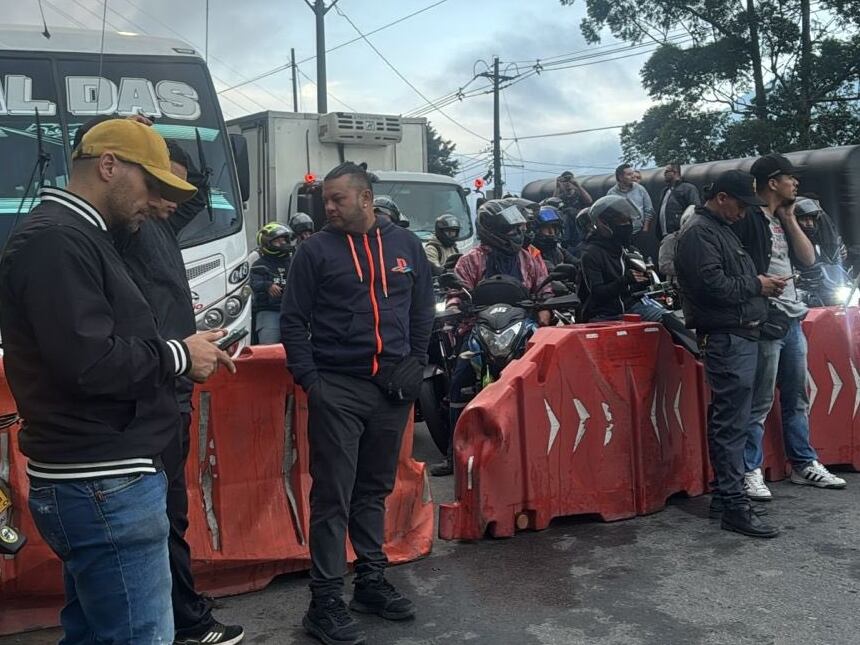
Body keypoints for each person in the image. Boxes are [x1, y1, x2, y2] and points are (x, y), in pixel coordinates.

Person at [0, 118, 235, 642]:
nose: (156, 202)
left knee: (96, 631)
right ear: (108, 165)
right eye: (150, 184)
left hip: (103, 474)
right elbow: (88, 363)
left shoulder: (83, 235)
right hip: (103, 479)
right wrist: (179, 354)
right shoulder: (58, 240)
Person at [281, 162, 434, 645]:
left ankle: (370, 581)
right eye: (324, 200)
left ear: (366, 199)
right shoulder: (313, 251)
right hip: (337, 389)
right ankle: (324, 602)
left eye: (337, 199)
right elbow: (292, 321)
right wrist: (313, 382)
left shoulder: (406, 245)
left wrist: (416, 362)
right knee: (333, 495)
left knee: (373, 490)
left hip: (392, 390)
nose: (327, 208)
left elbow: (421, 309)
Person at [104, 128, 246, 644]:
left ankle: (179, 609)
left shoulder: (162, 219)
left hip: (173, 389)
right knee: (162, 515)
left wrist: (162, 147)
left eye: (176, 188)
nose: (170, 200)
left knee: (171, 511)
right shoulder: (128, 228)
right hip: (154, 387)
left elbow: (197, 194)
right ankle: (185, 620)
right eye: (159, 186)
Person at [675, 170, 784, 538]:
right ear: (721, 197)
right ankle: (734, 505)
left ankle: (727, 498)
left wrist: (758, 286)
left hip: (735, 334)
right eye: (740, 204)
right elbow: (712, 286)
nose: (743, 212)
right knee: (732, 422)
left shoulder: (715, 229)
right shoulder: (701, 232)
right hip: (728, 337)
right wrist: (758, 285)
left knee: (730, 420)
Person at [734, 154, 847, 501]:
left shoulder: (782, 218)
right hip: (766, 320)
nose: (795, 183)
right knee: (760, 400)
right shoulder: (749, 218)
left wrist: (788, 217)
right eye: (789, 177)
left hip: (792, 318)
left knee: (797, 397)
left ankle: (803, 462)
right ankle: (749, 470)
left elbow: (809, 259)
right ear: (772, 182)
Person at [430, 199, 552, 477]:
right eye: (511, 230)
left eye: (519, 229)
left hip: (522, 328)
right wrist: (454, 308)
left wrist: (545, 312)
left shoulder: (529, 259)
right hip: (479, 329)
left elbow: (545, 292)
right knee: (459, 382)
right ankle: (453, 455)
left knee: (549, 377)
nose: (517, 235)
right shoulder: (471, 260)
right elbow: (456, 294)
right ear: (492, 230)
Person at [576, 195, 692, 347]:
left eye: (629, 221)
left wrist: (644, 279)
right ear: (603, 223)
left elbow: (636, 288)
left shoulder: (626, 249)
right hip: (604, 314)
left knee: (671, 321)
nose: (627, 225)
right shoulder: (591, 254)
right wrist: (625, 280)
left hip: (631, 307)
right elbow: (597, 293)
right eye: (622, 221)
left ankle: (698, 355)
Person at [251, 222, 295, 345]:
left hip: (292, 312)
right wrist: (267, 285)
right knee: (268, 348)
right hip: (269, 311)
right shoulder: (260, 264)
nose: (282, 243)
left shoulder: (294, 261)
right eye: (277, 241)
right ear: (267, 243)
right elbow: (253, 282)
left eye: (284, 240)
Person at [608, 163, 657, 260]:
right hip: (621, 234)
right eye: (629, 174)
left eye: (632, 173)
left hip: (639, 232)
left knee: (643, 258)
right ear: (620, 177)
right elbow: (609, 214)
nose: (632, 176)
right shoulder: (611, 193)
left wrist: (645, 229)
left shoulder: (640, 189)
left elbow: (649, 209)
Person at [794, 197, 846, 265]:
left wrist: (840, 253)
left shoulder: (822, 238)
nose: (809, 223)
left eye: (811, 219)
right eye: (803, 219)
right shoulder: (790, 241)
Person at [551, 171, 593, 254]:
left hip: (579, 225)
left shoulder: (579, 193)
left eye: (569, 180)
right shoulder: (561, 197)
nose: (568, 184)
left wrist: (577, 185)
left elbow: (589, 201)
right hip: (567, 228)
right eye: (565, 181)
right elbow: (552, 204)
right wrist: (558, 187)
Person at [657, 162, 700, 241]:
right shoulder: (665, 191)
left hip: (680, 234)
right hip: (665, 235)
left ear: (675, 172)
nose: (664, 174)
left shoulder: (688, 188)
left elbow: (695, 209)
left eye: (666, 172)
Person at [531, 204, 576, 272]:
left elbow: (576, 262)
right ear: (537, 230)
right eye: (546, 228)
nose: (551, 232)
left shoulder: (558, 250)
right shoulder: (532, 252)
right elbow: (551, 271)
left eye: (553, 228)